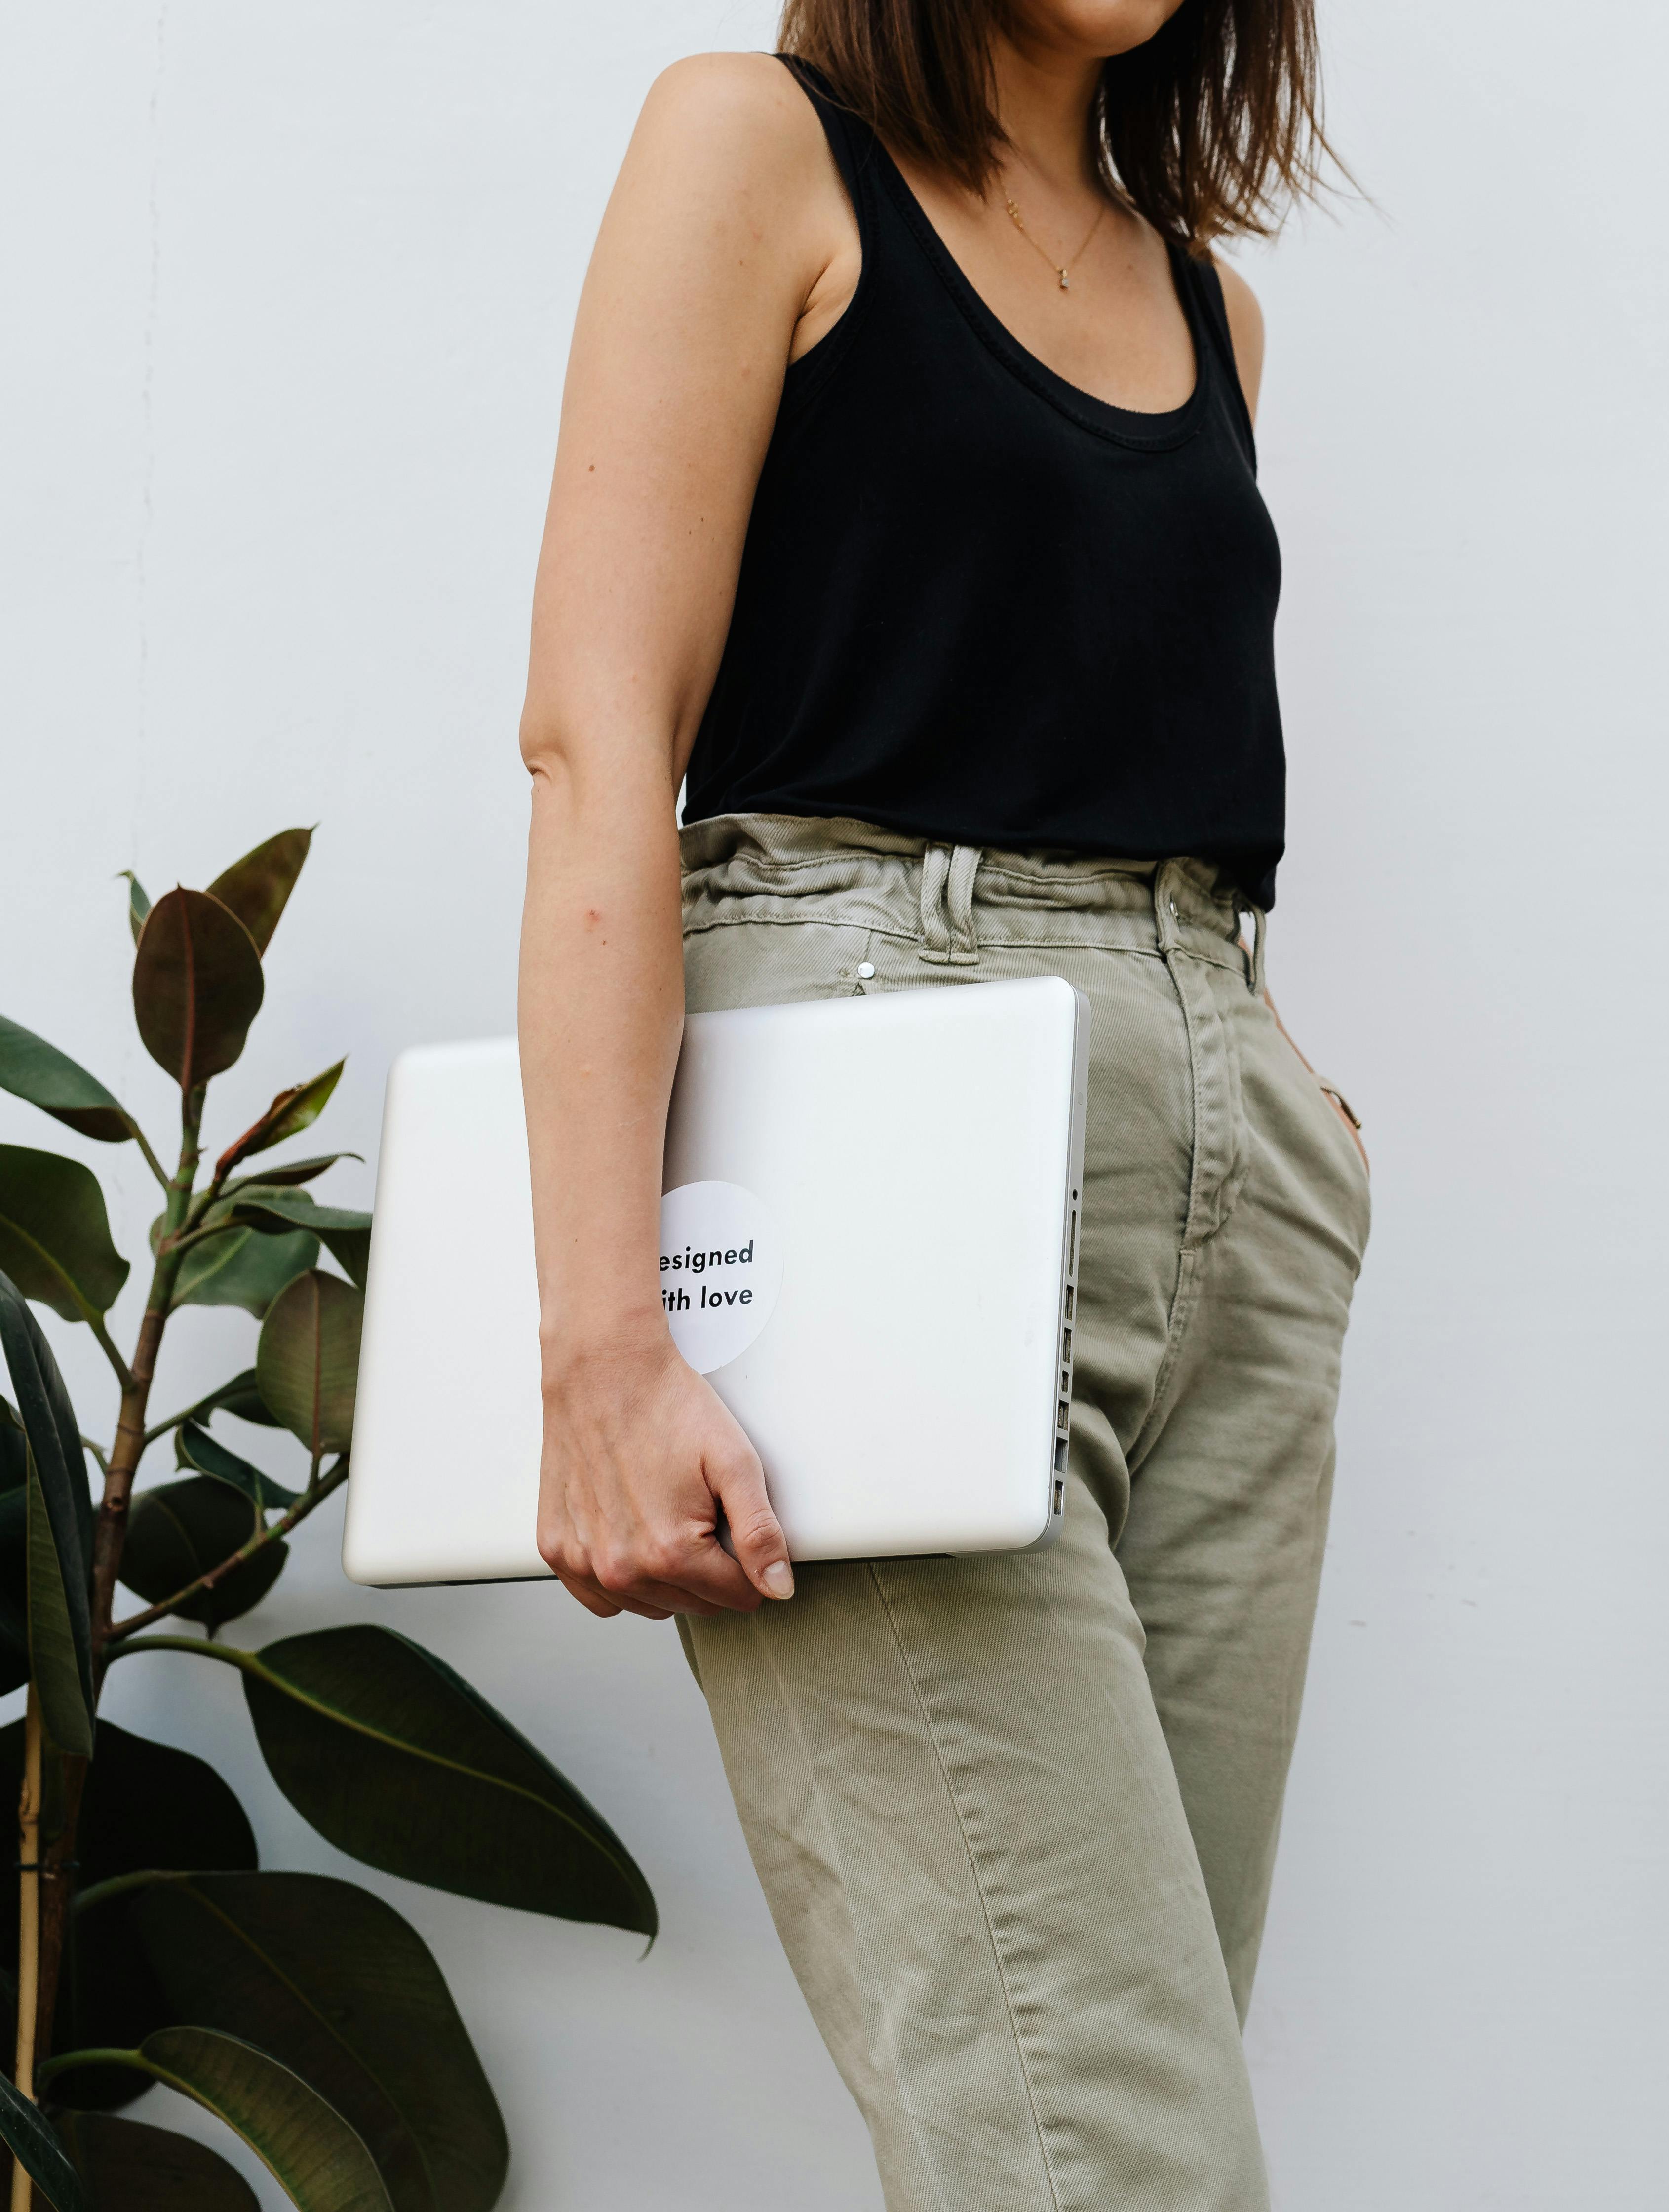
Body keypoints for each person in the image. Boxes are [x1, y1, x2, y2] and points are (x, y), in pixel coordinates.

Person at [511, 2, 1361, 2204]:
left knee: (1108, 2102)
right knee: (1108, 2148)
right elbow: (602, 742)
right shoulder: (754, 150)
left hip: (1225, 1196)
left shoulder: (1209, 304)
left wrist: (1281, 1110)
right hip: (871, 1149)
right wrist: (607, 1339)